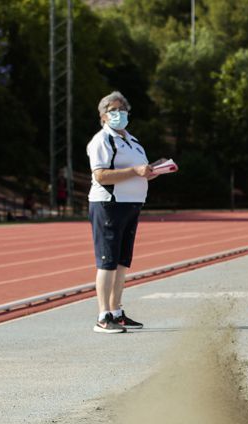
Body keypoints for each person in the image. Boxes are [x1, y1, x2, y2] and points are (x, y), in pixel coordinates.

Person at [86, 91, 164, 334]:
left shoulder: (133, 141)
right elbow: (100, 175)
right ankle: (102, 316)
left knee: (122, 262)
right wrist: (135, 171)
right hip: (109, 204)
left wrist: (152, 171)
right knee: (107, 262)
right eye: (113, 110)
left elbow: (139, 170)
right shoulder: (101, 140)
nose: (118, 114)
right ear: (103, 116)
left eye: (122, 110)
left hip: (131, 204)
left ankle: (116, 312)